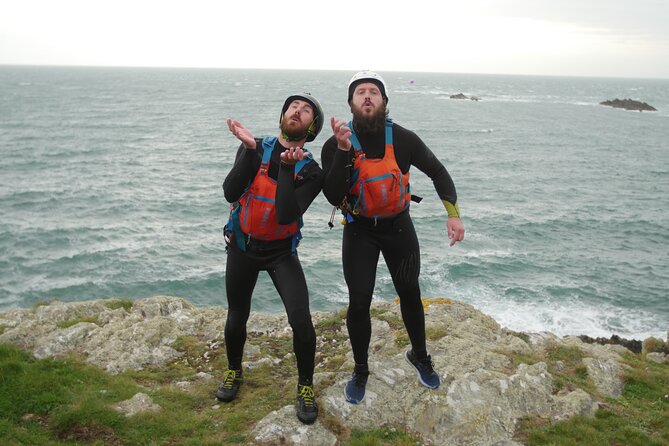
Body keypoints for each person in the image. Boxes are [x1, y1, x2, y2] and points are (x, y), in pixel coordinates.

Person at [321, 71, 465, 404]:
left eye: (374, 91)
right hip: (359, 230)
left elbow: (439, 171)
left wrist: (453, 215)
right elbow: (331, 195)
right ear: (351, 103)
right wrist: (343, 151)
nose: (367, 96)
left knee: (410, 292)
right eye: (360, 92)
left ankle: (420, 355)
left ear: (384, 101)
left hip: (398, 227)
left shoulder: (402, 139)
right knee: (359, 302)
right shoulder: (335, 144)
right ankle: (360, 369)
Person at [217, 93, 324, 424]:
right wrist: (249, 152)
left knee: (302, 322)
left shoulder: (312, 171)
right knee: (237, 315)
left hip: (281, 253)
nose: (298, 111)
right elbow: (231, 193)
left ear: (312, 127)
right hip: (243, 248)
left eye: (306, 111)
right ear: (283, 115)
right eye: (293, 106)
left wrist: (288, 170)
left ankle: (305, 386)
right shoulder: (255, 146)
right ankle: (235, 371)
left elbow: (286, 214)